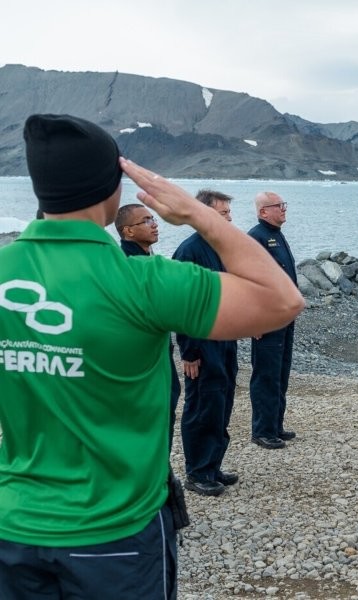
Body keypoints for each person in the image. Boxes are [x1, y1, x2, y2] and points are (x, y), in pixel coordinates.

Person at [0, 114, 304, 599]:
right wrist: (198, 216)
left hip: (13, 525)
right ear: (112, 189)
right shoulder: (142, 280)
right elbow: (282, 302)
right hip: (113, 531)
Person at [172, 190, 241, 496]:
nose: (229, 218)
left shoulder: (222, 248)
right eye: (223, 213)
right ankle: (198, 472)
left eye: (228, 213)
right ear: (204, 214)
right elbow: (181, 305)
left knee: (221, 403)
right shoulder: (189, 251)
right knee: (202, 405)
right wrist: (188, 351)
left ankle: (212, 464)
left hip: (225, 339)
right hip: (202, 343)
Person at [116, 203, 182, 449]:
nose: (154, 224)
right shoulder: (126, 265)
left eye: (153, 219)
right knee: (146, 420)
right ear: (128, 231)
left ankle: (161, 471)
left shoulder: (149, 259)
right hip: (140, 362)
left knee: (165, 414)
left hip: (161, 354)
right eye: (145, 221)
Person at [248, 191, 300, 450]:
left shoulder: (276, 236)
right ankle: (262, 430)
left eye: (283, 204)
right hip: (267, 319)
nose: (283, 209)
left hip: (284, 316)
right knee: (266, 375)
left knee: (280, 373)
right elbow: (248, 281)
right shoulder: (256, 237)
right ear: (263, 211)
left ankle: (275, 424)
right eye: (278, 206)